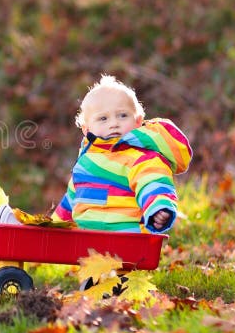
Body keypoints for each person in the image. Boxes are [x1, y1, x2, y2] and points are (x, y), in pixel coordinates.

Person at [52, 75, 192, 234]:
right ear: (86, 129)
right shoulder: (85, 162)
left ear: (138, 121)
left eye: (123, 115)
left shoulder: (141, 157)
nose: (114, 124)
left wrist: (158, 207)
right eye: (103, 118)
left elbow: (153, 183)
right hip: (87, 241)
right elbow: (72, 200)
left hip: (128, 238)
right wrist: (53, 227)